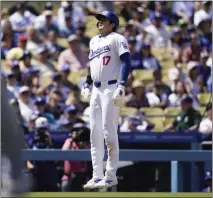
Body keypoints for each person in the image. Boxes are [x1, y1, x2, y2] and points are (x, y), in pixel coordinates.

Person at [81, 11, 131, 189]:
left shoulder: (118, 38)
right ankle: (96, 175)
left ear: (113, 23)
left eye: (103, 20)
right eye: (98, 20)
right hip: (96, 88)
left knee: (109, 133)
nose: (99, 22)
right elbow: (92, 65)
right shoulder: (94, 41)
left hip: (111, 87)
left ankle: (111, 175)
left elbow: (126, 62)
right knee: (94, 134)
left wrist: (122, 85)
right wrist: (87, 83)